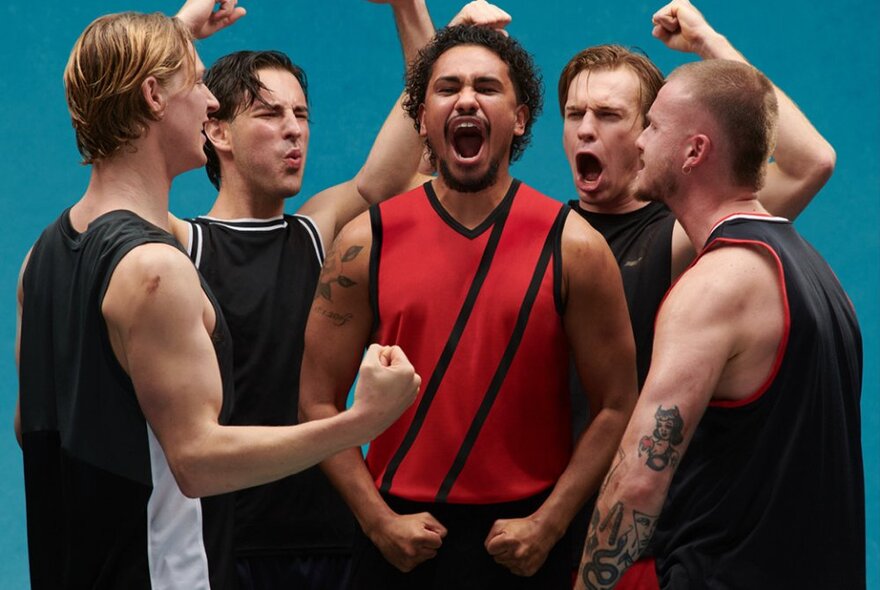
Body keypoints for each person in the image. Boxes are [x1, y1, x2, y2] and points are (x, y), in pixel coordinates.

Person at [14, 5, 420, 589]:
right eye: (199, 83)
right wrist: (362, 420)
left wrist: (176, 31)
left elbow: (32, 429)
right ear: (154, 96)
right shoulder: (156, 268)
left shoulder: (41, 259)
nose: (209, 103)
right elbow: (198, 460)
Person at [166, 2, 512, 588]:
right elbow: (129, 129)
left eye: (300, 114)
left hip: (330, 538)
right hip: (223, 541)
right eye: (269, 114)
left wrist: (425, 27)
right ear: (215, 128)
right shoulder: (176, 246)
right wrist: (179, 32)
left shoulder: (314, 231)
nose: (293, 128)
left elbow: (393, 160)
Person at [300, 24, 638, 589]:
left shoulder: (574, 246)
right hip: (398, 537)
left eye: (486, 87)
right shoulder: (367, 241)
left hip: (523, 543)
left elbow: (617, 402)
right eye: (447, 87)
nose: (466, 99)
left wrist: (549, 525)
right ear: (422, 116)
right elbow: (316, 400)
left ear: (521, 117)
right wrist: (377, 521)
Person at [575, 58, 864, 590]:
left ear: (694, 151)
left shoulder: (713, 286)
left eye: (654, 127)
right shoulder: (820, 277)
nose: (639, 142)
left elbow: (640, 481)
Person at [558, 0, 836, 389]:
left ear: (647, 132)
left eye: (608, 114)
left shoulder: (678, 237)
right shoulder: (544, 233)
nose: (586, 129)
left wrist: (709, 43)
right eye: (575, 114)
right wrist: (454, 48)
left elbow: (809, 163)